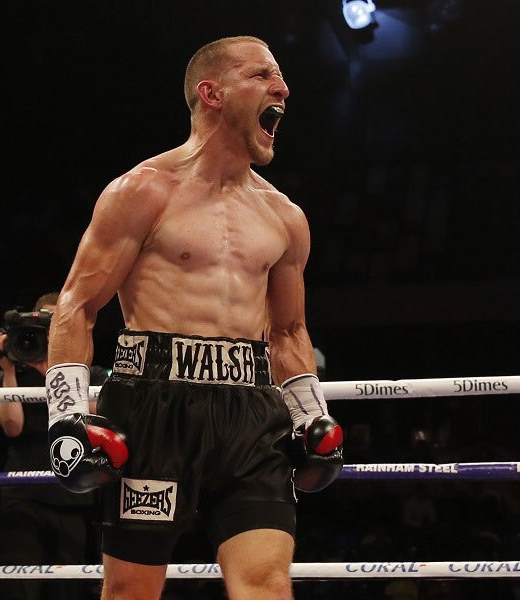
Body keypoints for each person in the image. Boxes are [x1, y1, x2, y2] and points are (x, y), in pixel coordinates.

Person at [45, 36, 344, 600]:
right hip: (153, 405)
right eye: (262, 75)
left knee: (267, 582)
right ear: (212, 93)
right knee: (132, 589)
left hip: (251, 411)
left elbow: (288, 331)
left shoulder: (285, 216)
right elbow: (77, 305)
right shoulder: (143, 191)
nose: (282, 88)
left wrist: (311, 416)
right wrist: (66, 418)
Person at [0, 292, 96, 600]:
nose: (50, 334)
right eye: (45, 325)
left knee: (68, 592)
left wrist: (54, 369)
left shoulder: (83, 370)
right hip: (23, 499)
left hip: (71, 501)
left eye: (56, 324)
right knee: (19, 591)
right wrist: (9, 370)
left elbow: (89, 422)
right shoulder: (16, 370)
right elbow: (12, 427)